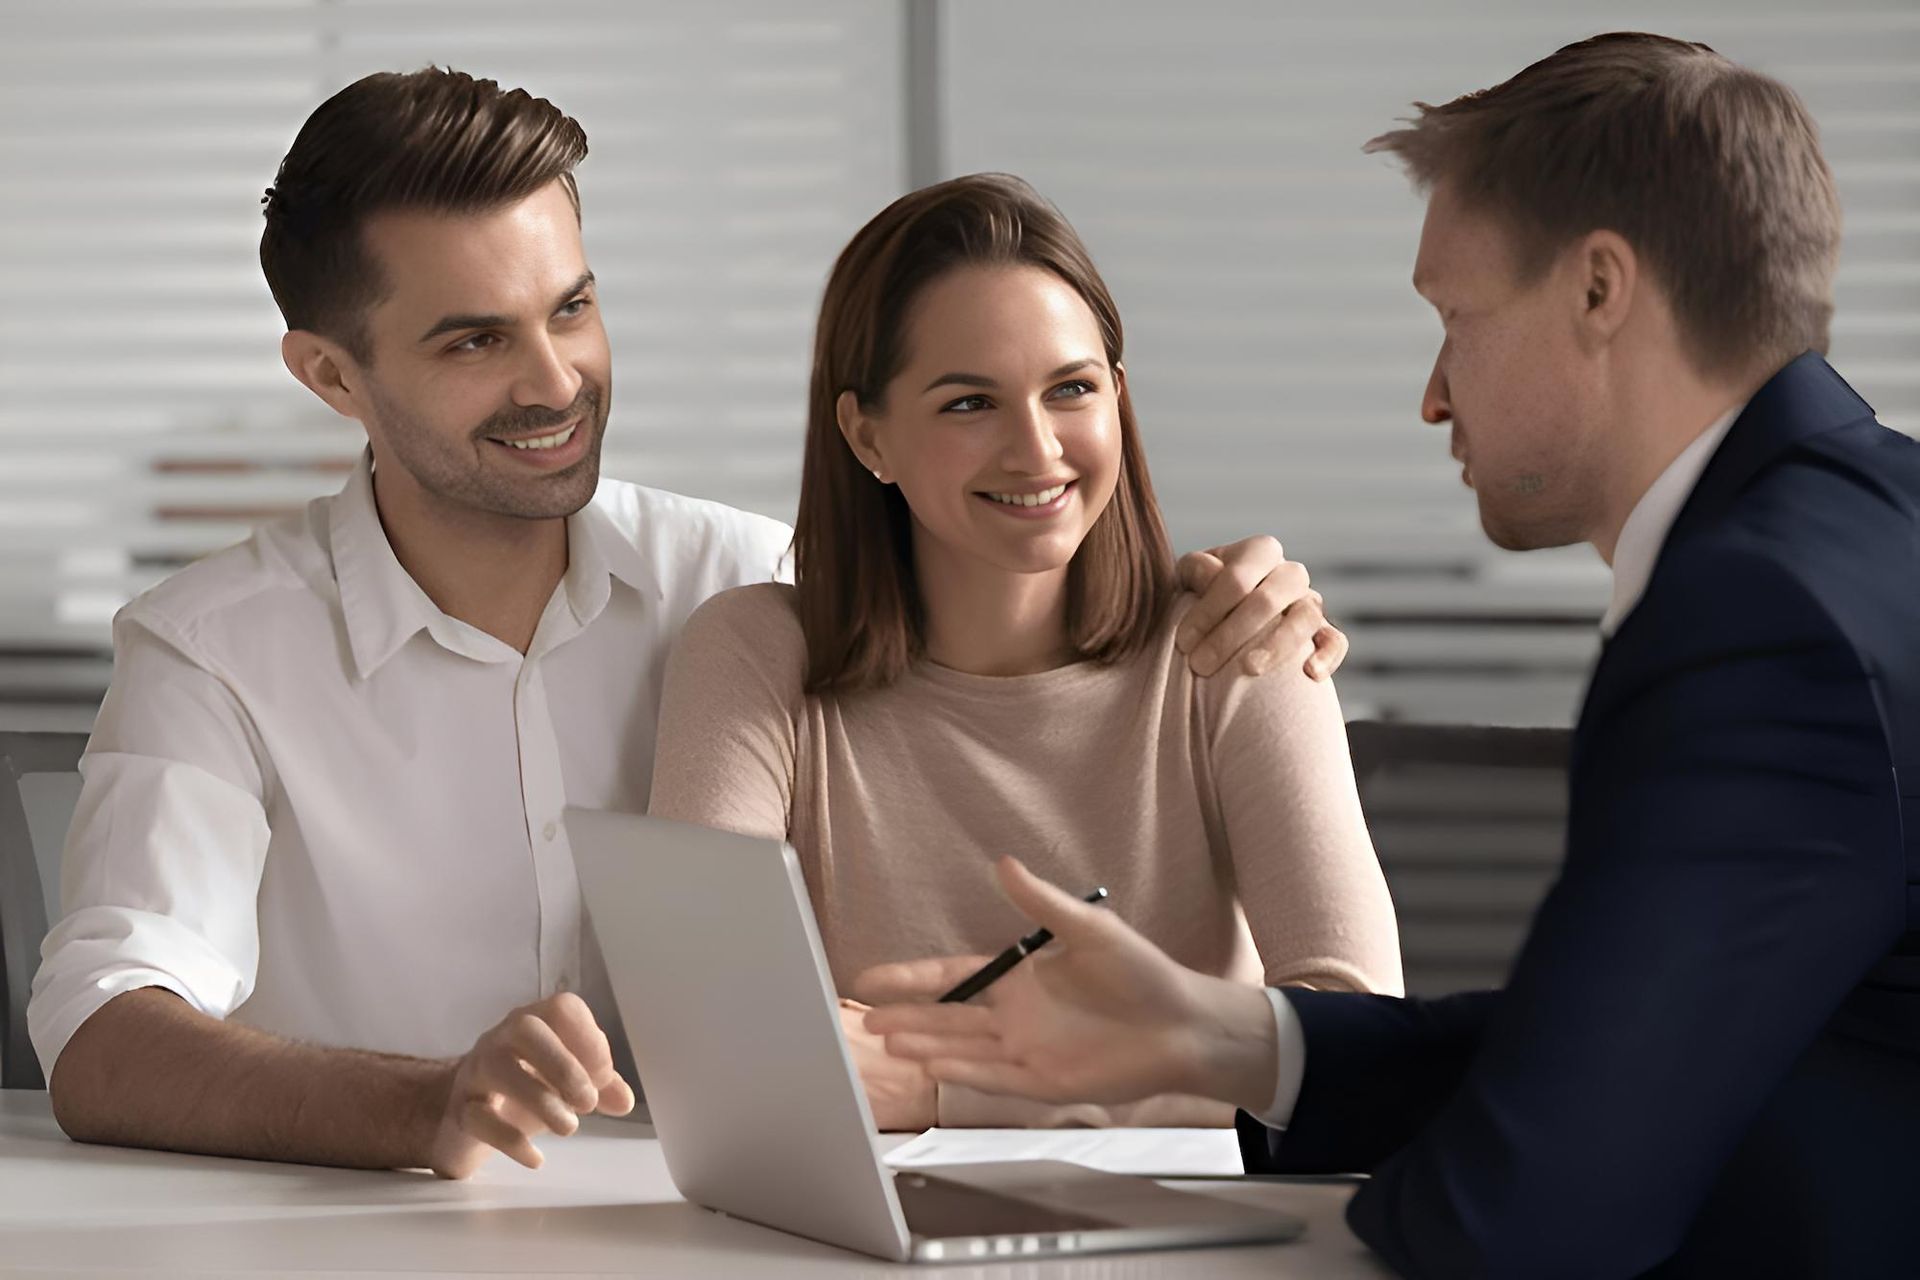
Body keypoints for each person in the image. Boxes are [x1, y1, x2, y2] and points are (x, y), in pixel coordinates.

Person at [26, 68, 1344, 1178]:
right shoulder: (216, 647)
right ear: (330, 374)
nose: (556, 382)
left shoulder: (747, 583)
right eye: (475, 341)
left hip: (709, 1225)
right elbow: (104, 1034)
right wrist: (422, 1105)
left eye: (574, 309)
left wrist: (1248, 613)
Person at [862, 33, 1920, 1279]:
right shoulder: (1866, 522)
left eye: (1455, 316)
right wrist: (1221, 1037)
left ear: (1599, 290)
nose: (1431, 392)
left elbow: (1528, 1213)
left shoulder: (1758, 618)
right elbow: (1613, 1055)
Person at [647, 175, 1403, 1131]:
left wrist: (939, 1087)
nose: (1036, 451)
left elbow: (1355, 1040)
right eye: (970, 404)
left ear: (1119, 401)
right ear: (867, 433)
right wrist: (1172, 1076)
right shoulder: (756, 655)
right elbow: (713, 1037)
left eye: (1073, 390)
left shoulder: (1233, 645)